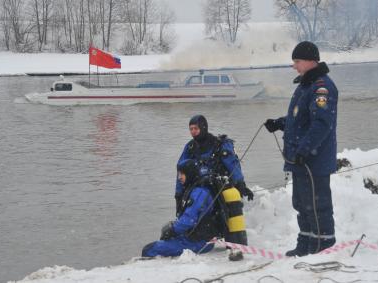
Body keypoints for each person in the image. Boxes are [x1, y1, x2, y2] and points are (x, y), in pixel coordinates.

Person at [264, 41, 338, 257]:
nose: (294, 66)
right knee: (302, 203)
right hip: (300, 161)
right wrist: (280, 123)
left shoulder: (321, 87)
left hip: (312, 160)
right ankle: (305, 243)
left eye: (297, 61)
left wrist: (304, 151)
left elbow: (321, 124)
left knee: (317, 204)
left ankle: (323, 245)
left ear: (310, 61)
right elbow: (300, 119)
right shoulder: (306, 85)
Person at [175, 115, 253, 260]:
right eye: (191, 129)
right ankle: (194, 239)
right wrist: (178, 194)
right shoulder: (190, 147)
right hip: (199, 189)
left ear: (203, 127)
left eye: (196, 128)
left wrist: (241, 185)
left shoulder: (219, 144)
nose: (193, 132)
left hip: (220, 186)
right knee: (192, 214)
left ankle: (235, 248)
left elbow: (233, 164)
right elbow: (181, 169)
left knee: (227, 213)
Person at [142, 159, 220, 257]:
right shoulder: (194, 189)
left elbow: (189, 219)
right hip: (191, 237)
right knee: (159, 243)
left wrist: (172, 229)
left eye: (182, 174)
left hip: (199, 243)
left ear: (190, 174)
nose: (179, 177)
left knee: (149, 250)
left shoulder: (199, 193)